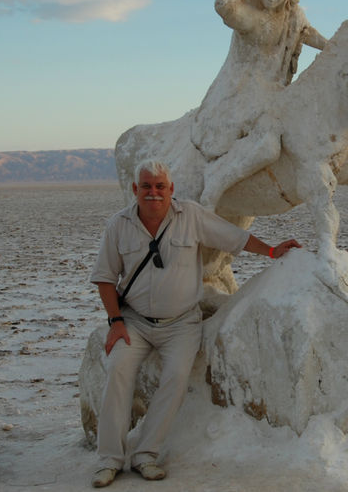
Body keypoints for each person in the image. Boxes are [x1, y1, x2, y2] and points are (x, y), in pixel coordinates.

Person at [88, 159, 301, 488]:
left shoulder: (191, 216)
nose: (153, 192)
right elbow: (104, 278)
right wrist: (115, 321)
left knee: (174, 378)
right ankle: (109, 460)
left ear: (171, 189)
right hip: (134, 321)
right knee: (117, 370)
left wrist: (272, 251)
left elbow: (235, 238)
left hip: (181, 324)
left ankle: (146, 455)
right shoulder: (118, 225)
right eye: (146, 186)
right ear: (135, 190)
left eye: (160, 186)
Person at [191, 0, 328, 209]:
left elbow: (308, 33)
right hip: (245, 93)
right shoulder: (253, 18)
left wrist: (336, 48)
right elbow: (224, 6)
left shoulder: (293, 16)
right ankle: (217, 182)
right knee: (266, 144)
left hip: (277, 90)